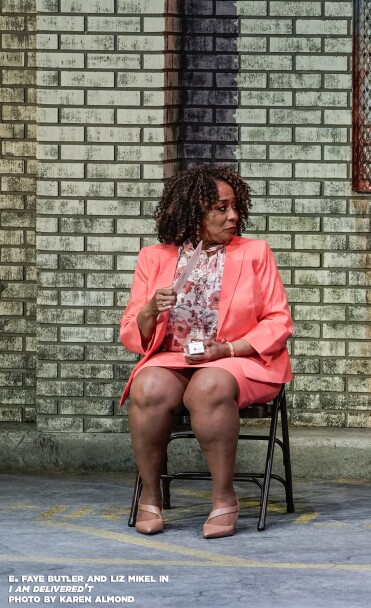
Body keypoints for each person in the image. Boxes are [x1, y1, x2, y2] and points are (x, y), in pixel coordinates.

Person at [119, 164, 293, 539]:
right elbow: (132, 332)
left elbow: (278, 322)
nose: (232, 216)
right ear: (192, 211)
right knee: (146, 387)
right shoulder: (155, 257)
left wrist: (226, 349)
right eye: (220, 208)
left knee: (208, 386)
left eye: (234, 207)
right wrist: (151, 309)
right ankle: (150, 494)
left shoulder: (255, 253)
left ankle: (224, 497)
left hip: (239, 359)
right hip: (174, 357)